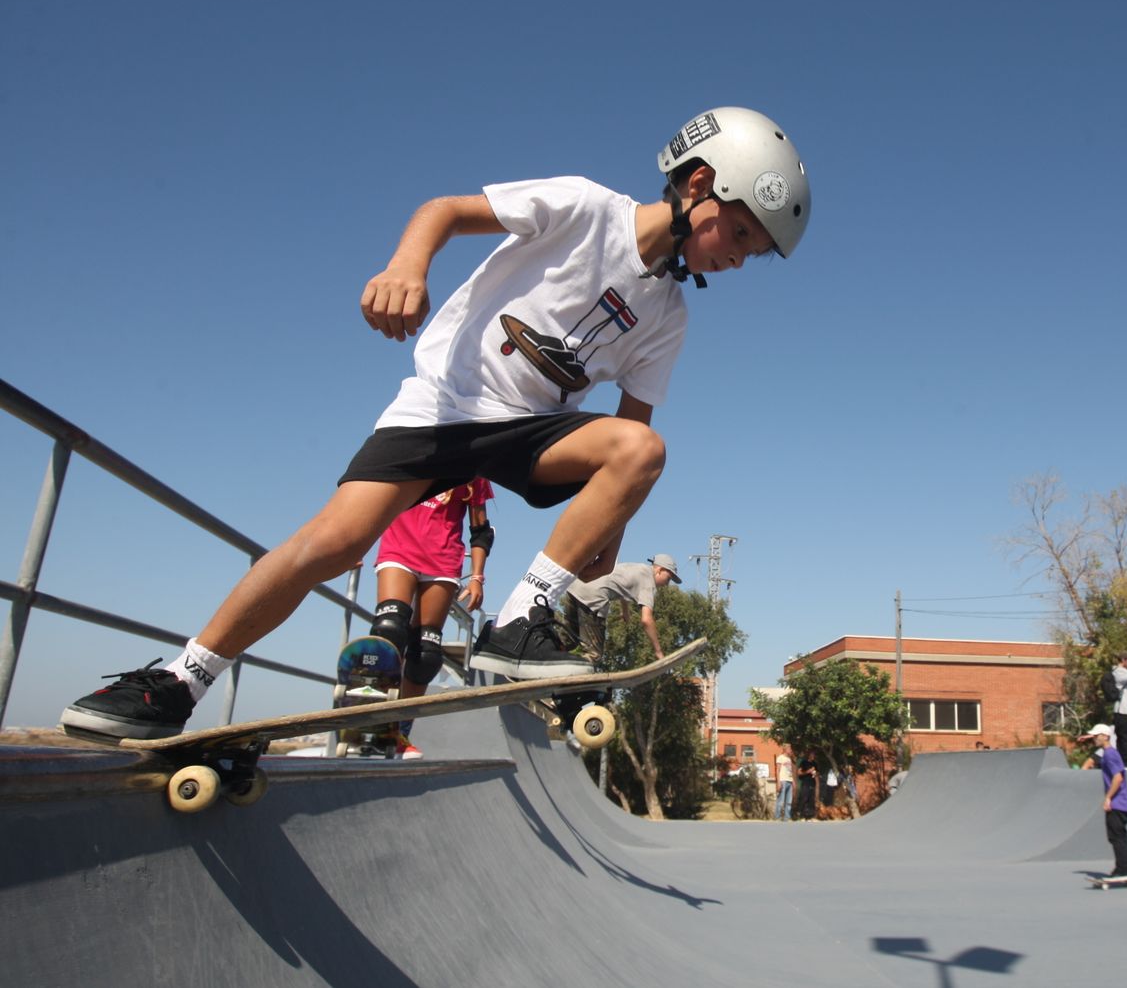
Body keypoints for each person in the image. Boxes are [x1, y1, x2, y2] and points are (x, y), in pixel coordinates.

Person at [60, 107, 812, 740]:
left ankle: (520, 623)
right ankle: (179, 681)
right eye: (742, 237)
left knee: (645, 447)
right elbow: (445, 212)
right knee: (333, 542)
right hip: (443, 405)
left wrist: (590, 571)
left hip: (530, 431)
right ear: (701, 185)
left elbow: (630, 436)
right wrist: (406, 268)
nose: (741, 261)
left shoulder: (668, 317)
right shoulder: (586, 208)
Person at [369, 476, 496, 758]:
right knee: (390, 628)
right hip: (398, 549)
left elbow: (481, 531)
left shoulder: (475, 471)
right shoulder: (415, 445)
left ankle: (399, 729)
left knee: (425, 653)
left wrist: (477, 577)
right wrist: (351, 543)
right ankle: (371, 711)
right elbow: (372, 497)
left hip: (442, 560)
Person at [559, 553, 681, 661]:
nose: (667, 584)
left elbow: (621, 586)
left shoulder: (637, 568)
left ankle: (549, 663)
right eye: (668, 578)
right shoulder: (648, 582)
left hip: (575, 586)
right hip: (593, 597)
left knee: (568, 641)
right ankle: (574, 681)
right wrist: (658, 652)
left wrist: (625, 611)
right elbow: (646, 620)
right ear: (659, 570)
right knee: (593, 655)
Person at [1084, 723, 1127, 879]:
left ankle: (1124, 870)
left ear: (1105, 736)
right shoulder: (1107, 753)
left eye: (1096, 736)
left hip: (1117, 803)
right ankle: (1124, 867)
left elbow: (1118, 778)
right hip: (1120, 803)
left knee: (1117, 836)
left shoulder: (1110, 754)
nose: (1094, 739)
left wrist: (1108, 798)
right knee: (1117, 836)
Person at [773, 750, 794, 821]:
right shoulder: (780, 758)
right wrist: (778, 782)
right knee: (781, 800)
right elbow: (778, 770)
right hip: (783, 780)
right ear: (786, 749)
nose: (791, 750)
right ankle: (777, 816)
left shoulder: (789, 759)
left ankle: (787, 817)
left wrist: (793, 781)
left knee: (789, 801)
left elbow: (790, 771)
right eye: (790, 748)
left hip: (789, 780)